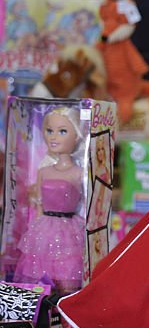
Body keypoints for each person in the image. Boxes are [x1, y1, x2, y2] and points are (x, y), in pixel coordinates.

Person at [14, 106, 87, 293]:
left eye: (62, 131)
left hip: (69, 228)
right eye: (49, 131)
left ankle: (63, 313)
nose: (53, 137)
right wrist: (35, 229)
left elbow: (88, 203)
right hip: (44, 228)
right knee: (37, 271)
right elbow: (38, 203)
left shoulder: (79, 173)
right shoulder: (43, 171)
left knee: (67, 273)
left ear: (77, 136)